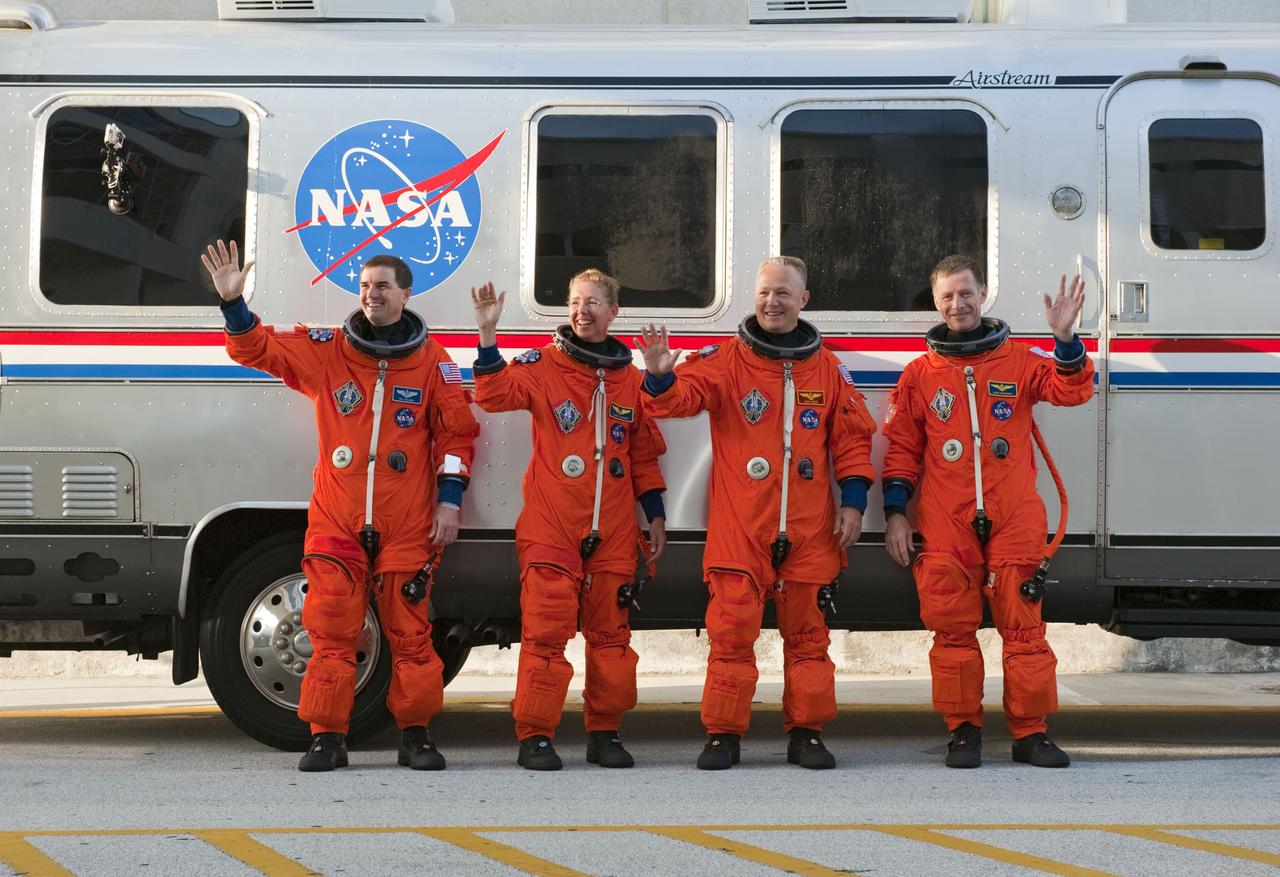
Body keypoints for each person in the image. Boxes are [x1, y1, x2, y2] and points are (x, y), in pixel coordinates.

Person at [203, 240, 479, 773]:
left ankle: (416, 734)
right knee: (329, 630)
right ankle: (327, 737)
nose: (371, 294)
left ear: (405, 293)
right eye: (365, 285)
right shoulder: (330, 350)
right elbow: (257, 349)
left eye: (382, 286)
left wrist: (449, 504)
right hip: (338, 518)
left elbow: (457, 440)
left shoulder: (433, 363)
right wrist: (233, 305)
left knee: (411, 634)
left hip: (408, 522)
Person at [637, 256, 875, 770]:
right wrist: (659, 378)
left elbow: (853, 441)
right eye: (765, 292)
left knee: (809, 637)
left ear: (804, 300)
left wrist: (854, 504)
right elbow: (682, 398)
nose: (772, 301)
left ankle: (807, 733)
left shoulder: (828, 368)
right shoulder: (727, 360)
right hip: (742, 527)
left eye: (784, 293)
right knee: (731, 633)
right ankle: (724, 735)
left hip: (810, 528)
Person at [881, 254, 1092, 769]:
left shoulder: (1018, 360)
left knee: (1024, 628)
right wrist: (894, 513)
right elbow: (901, 449)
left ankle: (1030, 733)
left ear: (982, 295)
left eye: (967, 293)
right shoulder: (920, 374)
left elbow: (1072, 390)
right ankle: (963, 731)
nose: (959, 303)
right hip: (943, 518)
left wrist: (1065, 341)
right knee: (952, 629)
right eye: (948, 296)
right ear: (936, 303)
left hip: (1014, 512)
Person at [470, 270, 668, 771]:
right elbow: (494, 396)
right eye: (576, 302)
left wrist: (657, 516)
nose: (583, 311)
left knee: (610, 637)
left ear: (613, 311)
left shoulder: (632, 379)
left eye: (594, 302)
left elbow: (642, 456)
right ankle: (535, 735)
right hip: (552, 524)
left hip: (616, 529)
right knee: (545, 632)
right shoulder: (543, 365)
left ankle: (605, 733)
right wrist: (489, 337)